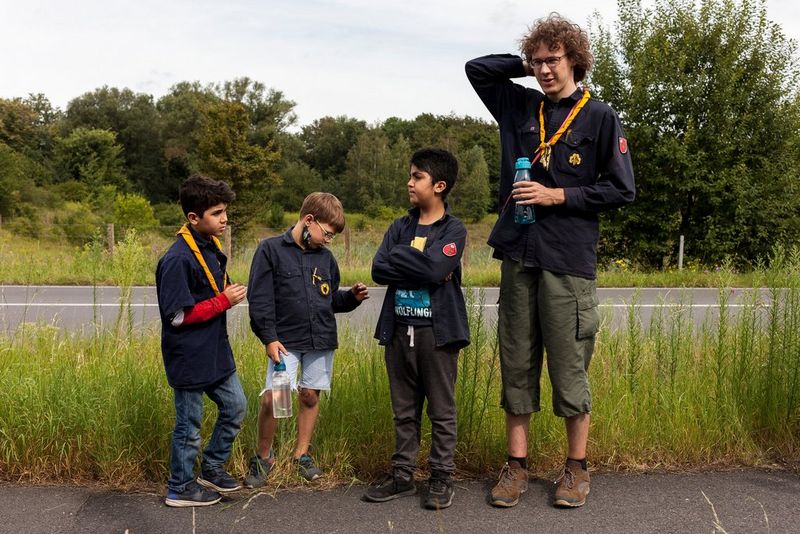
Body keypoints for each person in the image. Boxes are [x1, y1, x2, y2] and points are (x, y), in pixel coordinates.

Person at [466, 13, 635, 508]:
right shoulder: (519, 105)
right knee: (516, 362)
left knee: (568, 368)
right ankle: (515, 468)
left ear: (575, 61)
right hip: (519, 255)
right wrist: (523, 63)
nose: (544, 69)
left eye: (553, 59)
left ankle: (576, 470)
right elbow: (478, 69)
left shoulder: (600, 117)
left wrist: (556, 196)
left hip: (567, 260)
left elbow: (621, 189)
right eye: (537, 60)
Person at [362, 148, 470, 510]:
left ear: (439, 185)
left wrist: (410, 260)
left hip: (436, 334)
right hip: (399, 330)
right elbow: (379, 269)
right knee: (403, 409)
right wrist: (424, 262)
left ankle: (441, 477)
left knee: (441, 410)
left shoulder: (453, 229)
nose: (409, 182)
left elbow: (434, 272)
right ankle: (402, 476)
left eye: (416, 177)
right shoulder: (400, 226)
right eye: (410, 175)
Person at [245, 192, 369, 487]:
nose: (329, 240)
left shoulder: (326, 259)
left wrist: (351, 298)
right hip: (284, 342)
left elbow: (329, 300)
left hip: (320, 340)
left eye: (333, 236)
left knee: (310, 396)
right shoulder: (270, 250)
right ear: (309, 220)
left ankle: (301, 455)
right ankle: (263, 458)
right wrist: (268, 337)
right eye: (326, 233)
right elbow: (259, 300)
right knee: (274, 400)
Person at [156, 174, 248, 508]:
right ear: (193, 218)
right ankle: (179, 488)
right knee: (189, 425)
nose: (224, 219)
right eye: (217, 213)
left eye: (225, 211)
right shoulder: (178, 259)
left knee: (236, 406)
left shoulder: (210, 246)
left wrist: (227, 295)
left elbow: (213, 288)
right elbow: (177, 315)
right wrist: (224, 301)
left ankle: (211, 468)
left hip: (214, 351)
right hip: (188, 355)